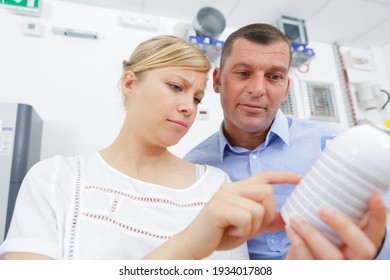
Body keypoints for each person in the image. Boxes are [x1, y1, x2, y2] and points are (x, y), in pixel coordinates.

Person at [0, 35, 304, 260]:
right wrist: (186, 246)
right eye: (176, 87)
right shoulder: (56, 179)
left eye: (197, 98)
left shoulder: (215, 186)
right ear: (130, 84)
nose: (188, 107)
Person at [184, 23, 390, 260]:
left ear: (285, 90)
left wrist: (373, 250)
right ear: (218, 80)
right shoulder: (192, 169)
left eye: (274, 77)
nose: (257, 89)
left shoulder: (337, 143)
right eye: (243, 73)